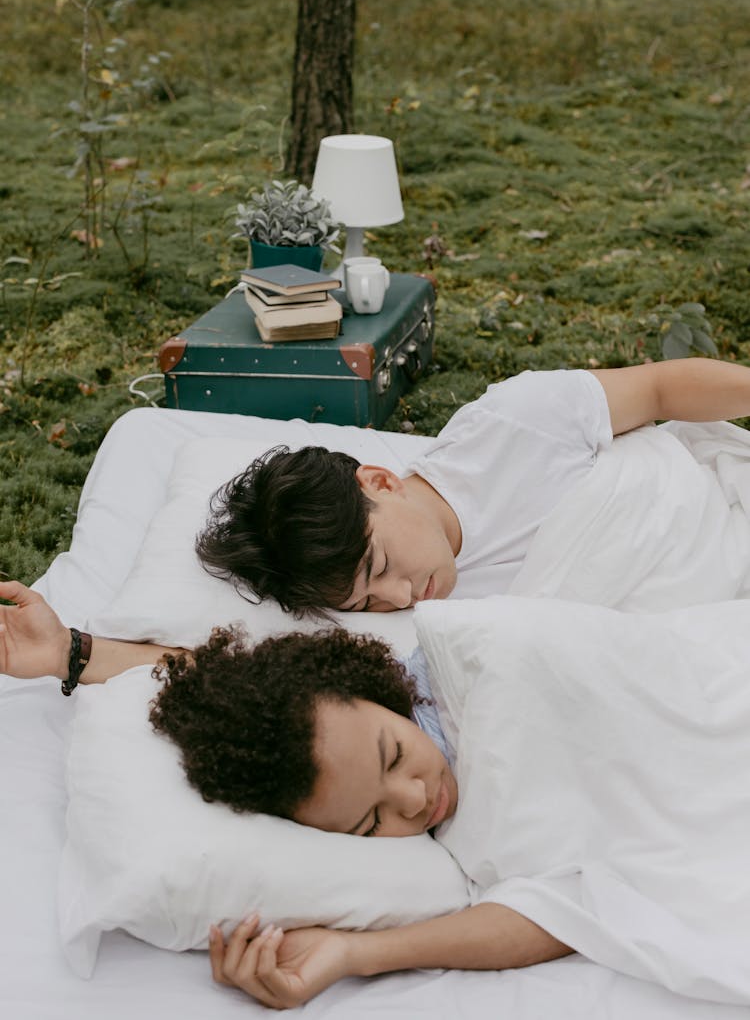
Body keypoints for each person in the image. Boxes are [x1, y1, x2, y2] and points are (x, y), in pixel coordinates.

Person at [0, 588, 572, 1010]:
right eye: (371, 822)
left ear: (372, 688)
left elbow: (226, 678)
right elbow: (566, 910)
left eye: (394, 753)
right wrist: (351, 954)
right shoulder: (456, 850)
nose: (418, 798)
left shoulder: (440, 666)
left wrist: (72, 652)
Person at [195, 358, 750, 617]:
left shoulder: (513, 422)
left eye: (380, 566)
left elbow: (658, 389)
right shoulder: (439, 622)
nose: (399, 598)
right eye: (364, 605)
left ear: (381, 482)